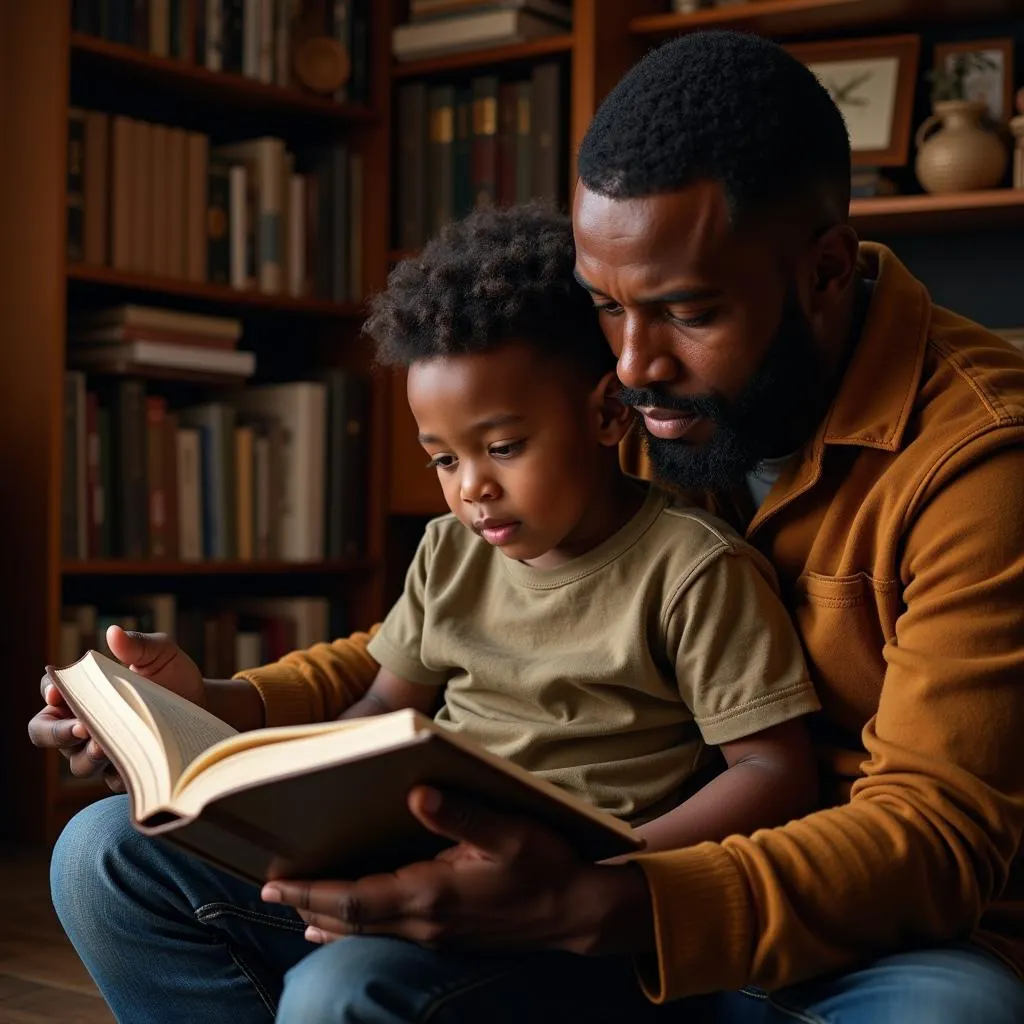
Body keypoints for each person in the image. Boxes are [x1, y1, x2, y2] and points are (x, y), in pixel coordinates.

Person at [31, 27, 1024, 1024]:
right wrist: (214, 707)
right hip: (549, 882)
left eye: (686, 311)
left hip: (830, 926)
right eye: (606, 306)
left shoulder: (980, 458)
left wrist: (591, 898)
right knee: (109, 855)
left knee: (952, 1014)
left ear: (824, 269)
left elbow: (933, 837)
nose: (634, 366)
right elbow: (424, 651)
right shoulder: (612, 397)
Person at [35, 202, 821, 1023]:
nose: (471, 487)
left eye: (504, 447)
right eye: (443, 458)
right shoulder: (451, 551)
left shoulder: (693, 571)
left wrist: (601, 883)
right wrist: (193, 716)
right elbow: (381, 708)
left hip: (566, 914)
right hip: (415, 857)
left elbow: (772, 773)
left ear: (604, 414)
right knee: (99, 854)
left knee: (340, 991)